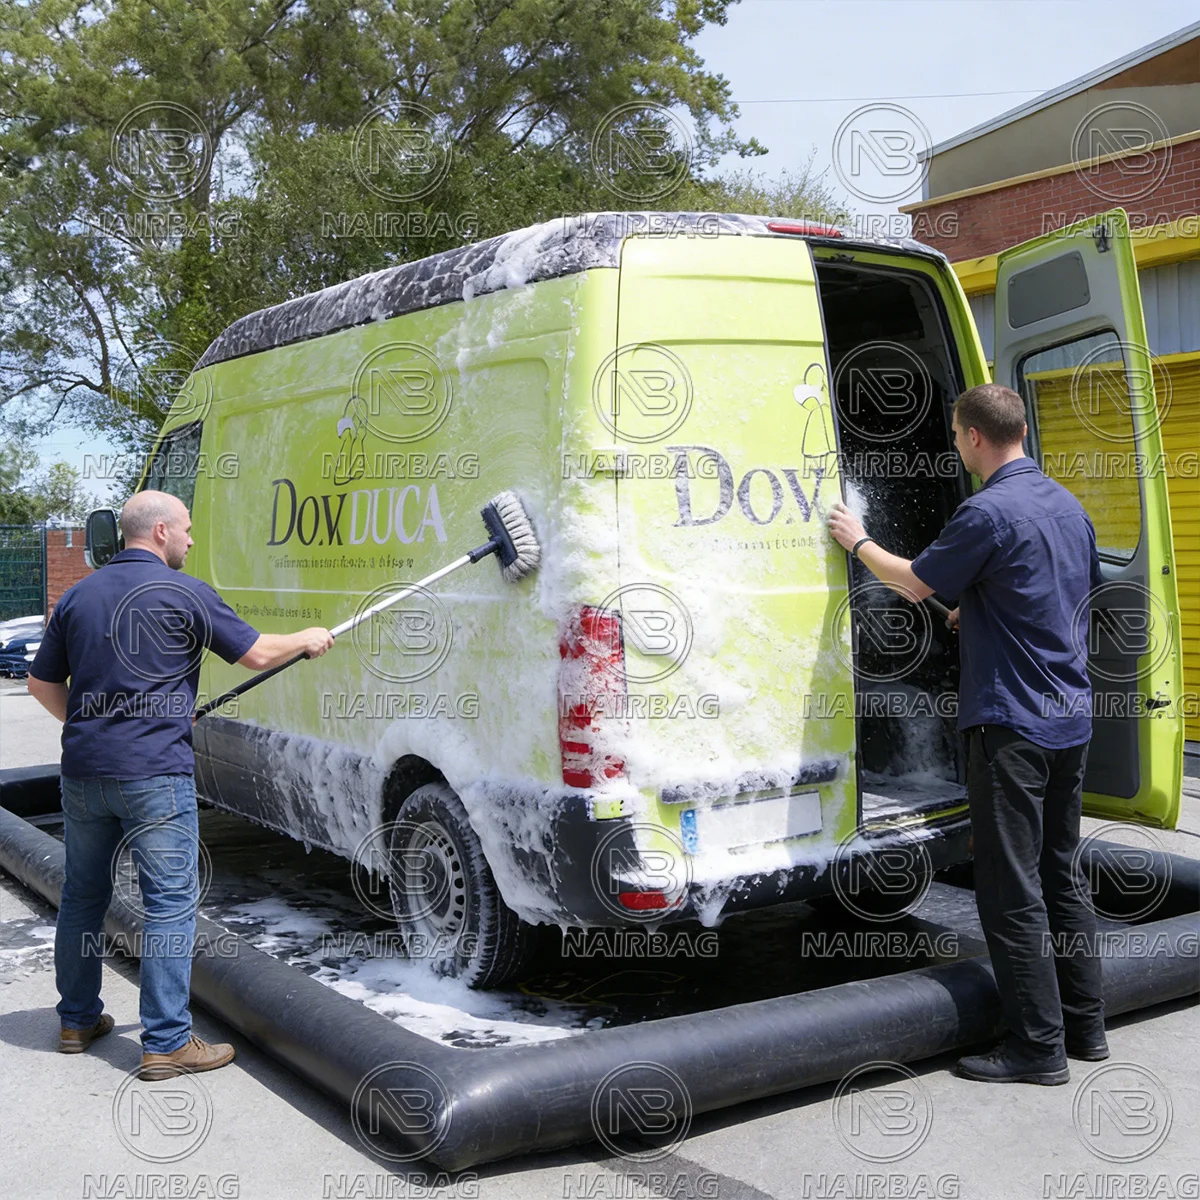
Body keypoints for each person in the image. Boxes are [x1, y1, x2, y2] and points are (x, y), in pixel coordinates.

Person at [828, 383, 1107, 1085]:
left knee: (1011, 890)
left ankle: (1035, 1050)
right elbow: (1059, 596)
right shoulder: (1067, 506)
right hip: (1069, 718)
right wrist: (979, 613)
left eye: (955, 436)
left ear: (976, 437)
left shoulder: (986, 512)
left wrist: (857, 541)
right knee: (1061, 876)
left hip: (1011, 723)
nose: (954, 446)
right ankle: (1087, 1028)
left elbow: (915, 583)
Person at [27, 490, 333, 1079]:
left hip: (85, 773)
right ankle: (166, 1042)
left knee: (83, 897)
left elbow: (42, 686)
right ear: (161, 531)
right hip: (155, 776)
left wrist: (102, 727)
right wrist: (307, 637)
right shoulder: (185, 591)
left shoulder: (79, 596)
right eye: (188, 530)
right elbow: (257, 654)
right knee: (168, 906)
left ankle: (76, 1020)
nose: (192, 540)